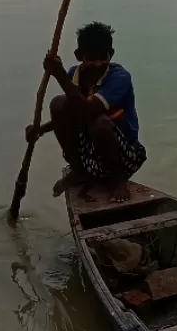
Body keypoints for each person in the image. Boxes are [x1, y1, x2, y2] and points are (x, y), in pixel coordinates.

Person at [25, 20, 147, 202]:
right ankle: (79, 171)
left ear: (111, 55)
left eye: (102, 58)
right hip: (92, 156)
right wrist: (41, 130)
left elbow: (90, 111)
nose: (98, 64)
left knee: (100, 123)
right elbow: (70, 114)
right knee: (58, 104)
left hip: (124, 157)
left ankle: (119, 181)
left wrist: (58, 74)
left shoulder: (119, 77)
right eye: (91, 58)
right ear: (79, 55)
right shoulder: (74, 75)